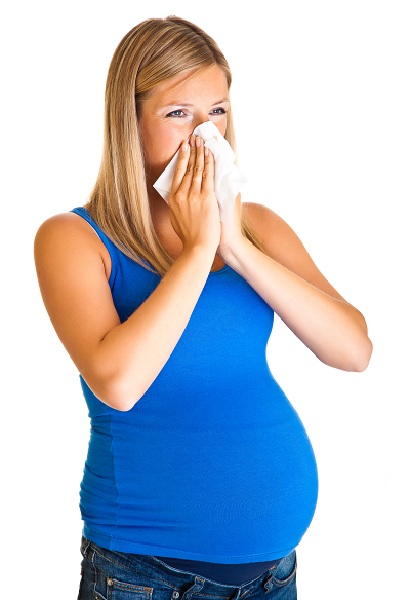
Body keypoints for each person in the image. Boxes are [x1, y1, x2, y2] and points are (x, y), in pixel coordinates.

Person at [34, 15, 373, 600]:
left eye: (216, 111)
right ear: (129, 123)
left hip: (274, 575)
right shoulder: (74, 238)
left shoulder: (259, 227)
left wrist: (235, 245)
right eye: (177, 113)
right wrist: (197, 251)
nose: (204, 135)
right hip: (144, 577)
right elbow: (118, 383)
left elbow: (354, 350)